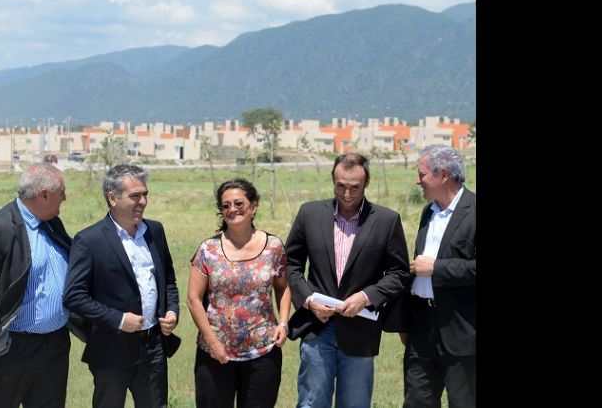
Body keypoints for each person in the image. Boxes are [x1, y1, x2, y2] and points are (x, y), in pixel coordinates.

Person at [286, 152, 410, 408]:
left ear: (367, 183)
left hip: (361, 331)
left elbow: (399, 274)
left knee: (355, 404)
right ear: (333, 179)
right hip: (317, 326)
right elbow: (290, 264)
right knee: (311, 403)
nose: (347, 194)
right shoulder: (309, 214)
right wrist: (308, 300)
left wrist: (366, 297)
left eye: (355, 187)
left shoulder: (387, 220)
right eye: (340, 185)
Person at [64, 163, 180, 408]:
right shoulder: (89, 240)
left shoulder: (155, 231)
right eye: (135, 196)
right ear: (113, 198)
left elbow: (168, 281)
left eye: (145, 194)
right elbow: (74, 297)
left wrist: (172, 311)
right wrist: (118, 319)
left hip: (153, 346)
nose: (143, 202)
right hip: (110, 349)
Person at [0, 163, 73, 408]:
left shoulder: (53, 223)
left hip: (55, 345)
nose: (65, 197)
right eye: (61, 192)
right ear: (44, 194)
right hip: (12, 348)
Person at [187, 179, 291, 408]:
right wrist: (213, 343)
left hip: (263, 352)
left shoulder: (273, 247)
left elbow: (282, 287)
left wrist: (283, 323)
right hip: (215, 354)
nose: (232, 209)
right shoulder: (208, 250)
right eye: (225, 206)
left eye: (238, 203)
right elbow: (193, 300)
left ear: (254, 207)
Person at [398, 145, 476, 408]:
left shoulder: (474, 212)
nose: (417, 180)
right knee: (417, 401)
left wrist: (436, 268)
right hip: (422, 326)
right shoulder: (428, 212)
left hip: (461, 330)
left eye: (422, 174)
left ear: (443, 175)